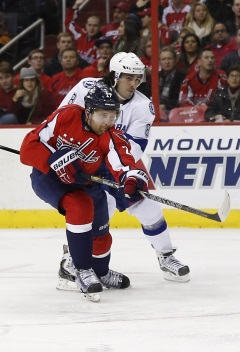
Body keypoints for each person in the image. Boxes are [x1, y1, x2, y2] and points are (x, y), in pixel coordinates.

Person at [57, 52, 191, 287]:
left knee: (148, 206)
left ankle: (166, 256)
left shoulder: (142, 106)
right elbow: (60, 120)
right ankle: (70, 261)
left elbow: (135, 147)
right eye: (129, 77)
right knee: (94, 211)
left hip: (119, 162)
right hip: (84, 159)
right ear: (115, 75)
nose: (134, 83)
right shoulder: (85, 88)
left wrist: (123, 172)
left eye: (138, 78)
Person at [19, 82, 138, 301]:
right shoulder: (68, 115)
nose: (108, 122)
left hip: (85, 182)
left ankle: (100, 272)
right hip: (49, 178)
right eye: (103, 115)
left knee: (101, 225)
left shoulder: (111, 134)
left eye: (113, 116)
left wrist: (130, 178)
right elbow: (27, 148)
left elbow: (122, 159)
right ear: (89, 111)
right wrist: (53, 160)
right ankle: (81, 270)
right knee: (80, 206)